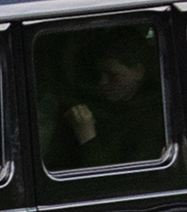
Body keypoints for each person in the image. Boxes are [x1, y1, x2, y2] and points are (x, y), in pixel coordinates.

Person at [62, 29, 166, 169]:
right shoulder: (107, 105)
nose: (103, 82)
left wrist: (87, 136)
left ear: (138, 71)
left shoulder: (154, 119)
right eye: (100, 75)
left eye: (113, 75)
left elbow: (115, 181)